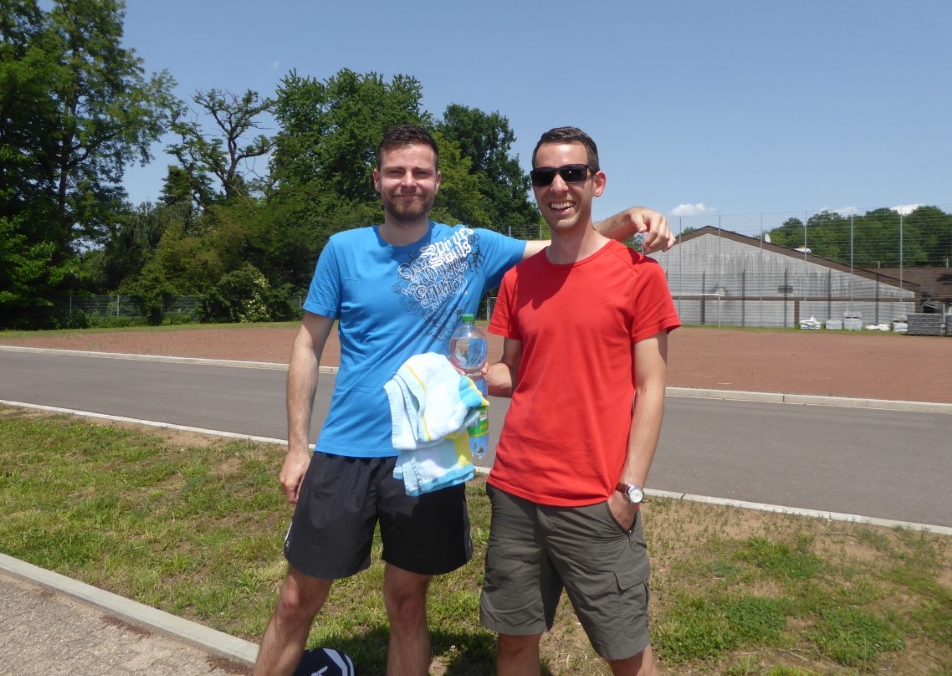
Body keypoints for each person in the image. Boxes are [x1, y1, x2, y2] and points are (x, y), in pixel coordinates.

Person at [252, 123, 675, 676]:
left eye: (420, 172)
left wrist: (629, 217)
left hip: (429, 454)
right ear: (377, 180)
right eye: (396, 172)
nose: (408, 181)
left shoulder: (471, 246)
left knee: (407, 604)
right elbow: (307, 345)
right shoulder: (343, 250)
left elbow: (564, 243)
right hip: (345, 450)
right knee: (294, 600)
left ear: (437, 181)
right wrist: (297, 446)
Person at [480, 126, 681, 676]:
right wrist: (458, 376)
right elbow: (511, 371)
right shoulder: (518, 280)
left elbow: (652, 387)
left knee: (626, 653)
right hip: (516, 492)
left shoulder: (639, 275)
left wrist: (629, 489)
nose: (558, 186)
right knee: (513, 643)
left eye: (572, 173)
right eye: (544, 176)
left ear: (597, 182)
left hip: (596, 499)